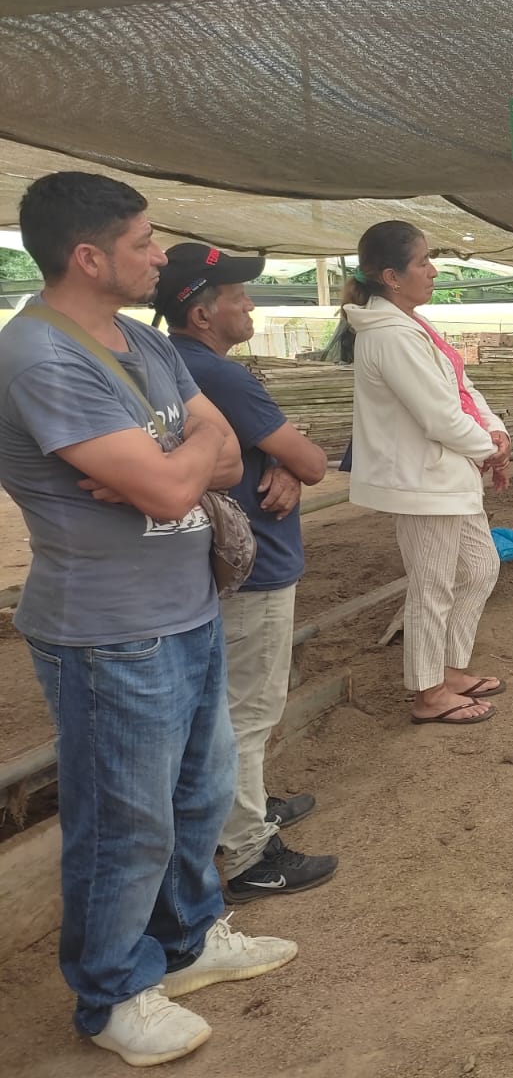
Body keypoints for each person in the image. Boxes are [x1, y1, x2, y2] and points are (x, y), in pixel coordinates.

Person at [0, 173, 296, 1066]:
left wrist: (177, 458)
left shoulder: (142, 340)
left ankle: (188, 940)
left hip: (187, 606)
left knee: (197, 795)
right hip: (109, 630)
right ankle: (112, 991)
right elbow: (178, 483)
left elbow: (220, 455)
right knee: (123, 822)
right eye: (143, 243)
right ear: (89, 258)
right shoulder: (41, 357)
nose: (159, 257)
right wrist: (183, 461)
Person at [155, 244, 339, 903]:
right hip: (254, 568)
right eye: (238, 296)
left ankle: (247, 807)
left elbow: (280, 453)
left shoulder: (171, 362)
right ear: (203, 313)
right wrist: (291, 460)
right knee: (247, 711)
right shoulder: (219, 374)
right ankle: (249, 852)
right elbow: (313, 461)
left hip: (215, 565)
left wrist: (278, 458)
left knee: (228, 707)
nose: (250, 305)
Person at [343, 220, 510, 725]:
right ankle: (428, 691)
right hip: (423, 481)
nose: (433, 271)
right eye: (423, 262)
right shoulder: (391, 336)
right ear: (392, 277)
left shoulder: (412, 326)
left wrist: (494, 430)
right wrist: (488, 449)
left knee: (479, 568)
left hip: (448, 477)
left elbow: (461, 386)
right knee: (432, 585)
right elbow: (438, 416)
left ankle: (450, 669)